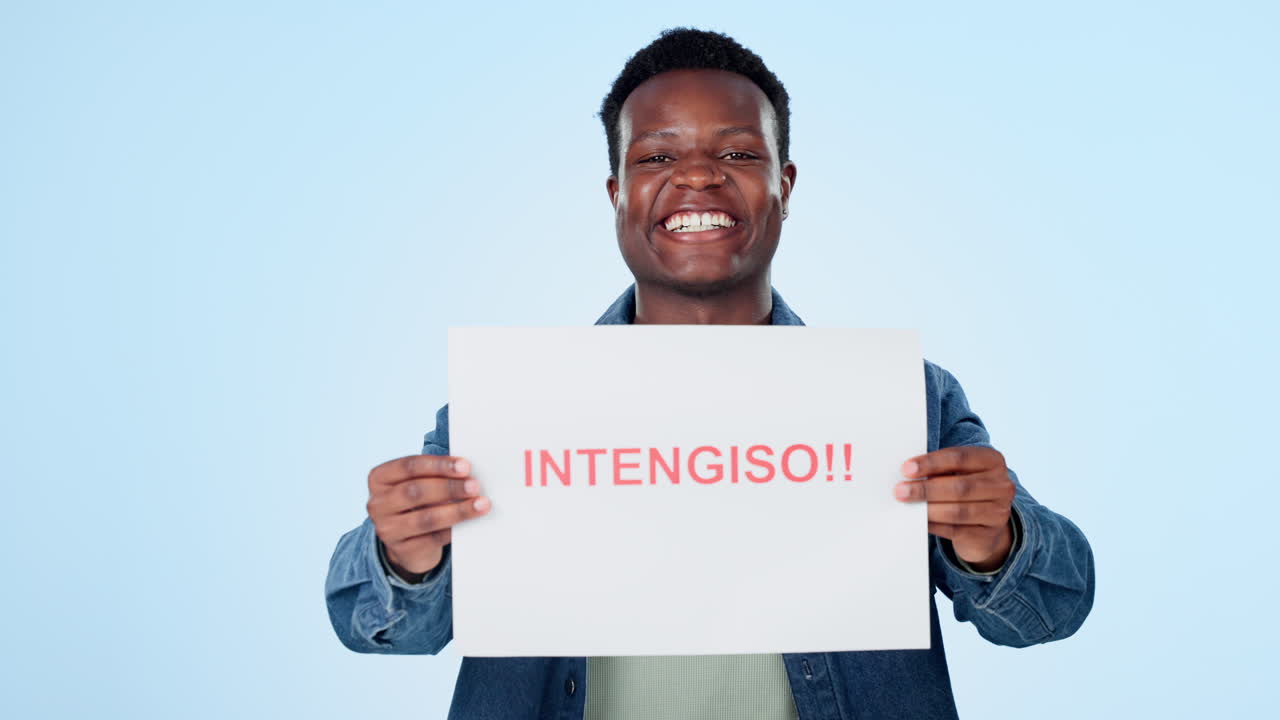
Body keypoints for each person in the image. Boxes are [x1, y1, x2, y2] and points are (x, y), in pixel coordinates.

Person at [325, 27, 1095, 720]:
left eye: (738, 154)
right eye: (657, 157)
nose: (697, 177)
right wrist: (405, 556)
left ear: (785, 186)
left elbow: (1050, 609)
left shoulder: (900, 397)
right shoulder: (513, 403)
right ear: (617, 195)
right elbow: (379, 628)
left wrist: (995, 541)